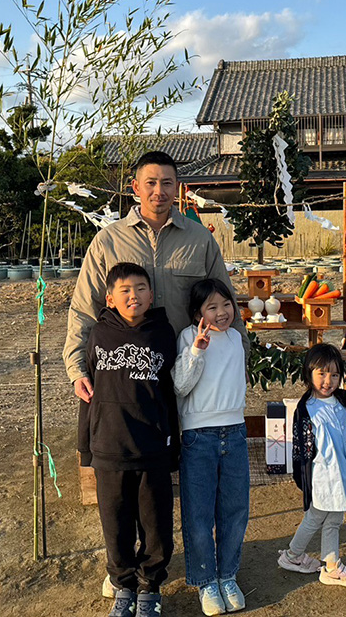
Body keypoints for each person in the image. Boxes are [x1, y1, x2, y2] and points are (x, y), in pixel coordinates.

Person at [64, 150, 249, 402]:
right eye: (150, 183)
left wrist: (241, 356)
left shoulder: (199, 239)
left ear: (177, 188)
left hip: (191, 365)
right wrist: (77, 369)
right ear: (136, 187)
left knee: (190, 439)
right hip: (128, 374)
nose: (158, 191)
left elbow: (227, 302)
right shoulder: (108, 241)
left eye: (167, 183)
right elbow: (84, 309)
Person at [78, 262, 179, 617]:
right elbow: (89, 393)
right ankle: (124, 586)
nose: (133, 296)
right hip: (109, 447)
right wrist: (85, 446)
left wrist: (174, 445)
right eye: (124, 290)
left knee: (156, 526)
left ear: (151, 295)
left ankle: (150, 587)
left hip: (152, 447)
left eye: (140, 289)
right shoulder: (99, 335)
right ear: (110, 298)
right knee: (116, 525)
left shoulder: (163, 334)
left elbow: (170, 394)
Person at [172, 278, 249, 616]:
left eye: (226, 304)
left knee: (234, 509)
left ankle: (227, 575)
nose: (222, 313)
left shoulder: (235, 339)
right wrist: (196, 351)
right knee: (199, 513)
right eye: (212, 307)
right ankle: (205, 580)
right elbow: (180, 386)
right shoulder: (189, 337)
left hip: (235, 431)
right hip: (198, 436)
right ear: (198, 313)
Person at [278, 343, 346, 588]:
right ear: (308, 374)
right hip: (324, 478)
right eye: (321, 373)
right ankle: (331, 568)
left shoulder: (344, 401)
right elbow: (301, 452)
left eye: (334, 374)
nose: (328, 380)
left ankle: (292, 556)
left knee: (316, 517)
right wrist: (305, 483)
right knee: (330, 520)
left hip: (343, 474)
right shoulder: (306, 410)